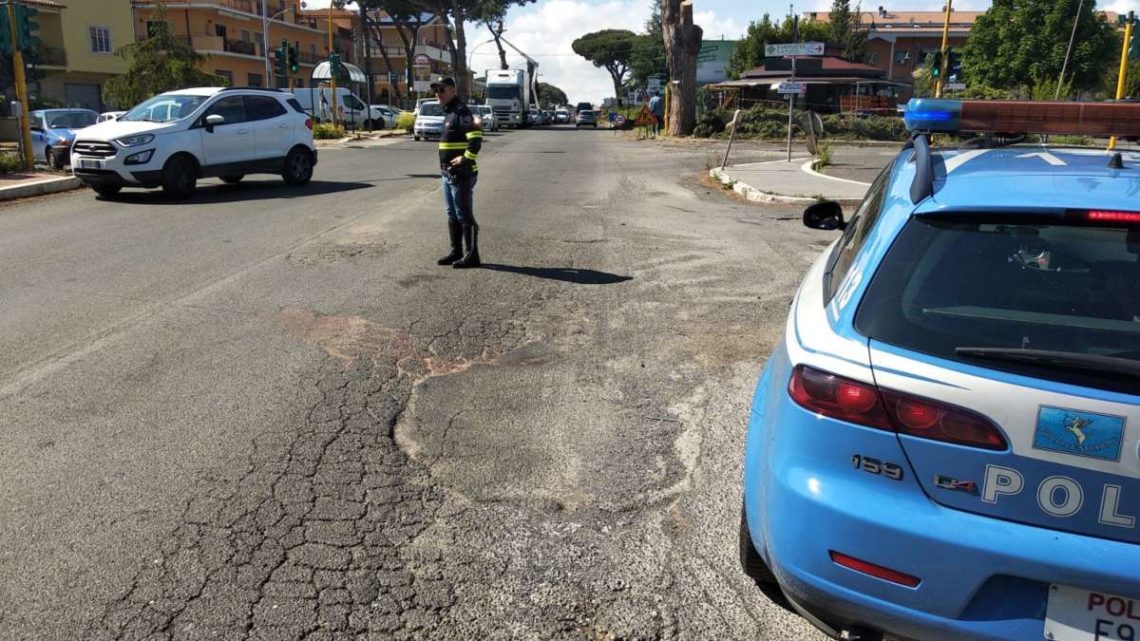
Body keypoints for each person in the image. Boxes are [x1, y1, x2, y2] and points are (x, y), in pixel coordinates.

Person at [432, 77, 483, 268]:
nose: (438, 94)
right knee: (452, 214)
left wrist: (466, 158)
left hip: (462, 174)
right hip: (448, 174)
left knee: (464, 214)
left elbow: (476, 138)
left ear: (453, 90)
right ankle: (456, 252)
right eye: (436, 91)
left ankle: (472, 255)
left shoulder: (461, 111)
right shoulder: (450, 112)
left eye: (442, 90)